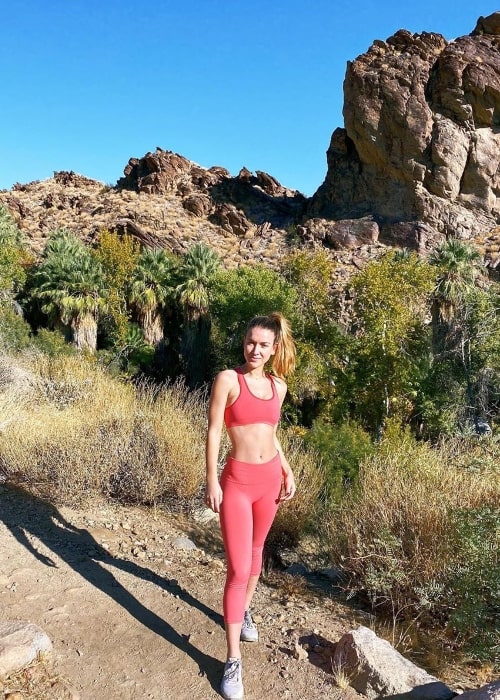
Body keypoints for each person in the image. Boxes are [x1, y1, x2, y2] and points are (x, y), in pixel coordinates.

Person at [205, 312, 297, 700]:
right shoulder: (229, 379)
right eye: (250, 342)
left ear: (274, 349)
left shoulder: (280, 386)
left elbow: (272, 434)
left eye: (263, 344)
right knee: (239, 567)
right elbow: (213, 430)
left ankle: (244, 612)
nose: (255, 349)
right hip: (238, 483)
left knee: (257, 556)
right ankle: (232, 659)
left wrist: (288, 470)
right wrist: (211, 479)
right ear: (244, 342)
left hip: (270, 481)